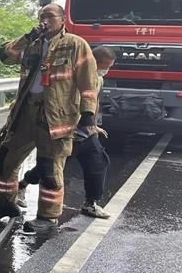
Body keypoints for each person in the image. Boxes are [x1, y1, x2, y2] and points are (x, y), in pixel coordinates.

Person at [0, 4, 100, 233]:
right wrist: (27, 37)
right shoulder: (32, 43)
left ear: (62, 19)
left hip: (56, 115)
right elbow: (5, 56)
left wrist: (88, 114)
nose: (45, 20)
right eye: (42, 16)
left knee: (49, 166)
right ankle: (5, 205)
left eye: (50, 16)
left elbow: (89, 81)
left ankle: (47, 217)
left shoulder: (75, 45)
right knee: (4, 157)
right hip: (25, 111)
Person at [20, 45, 116, 218]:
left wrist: (93, 125)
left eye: (109, 67)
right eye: (104, 66)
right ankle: (23, 184)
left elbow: (93, 103)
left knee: (98, 162)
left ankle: (90, 203)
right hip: (66, 130)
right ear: (93, 61)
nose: (106, 70)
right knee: (52, 166)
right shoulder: (72, 75)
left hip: (86, 132)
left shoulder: (98, 80)